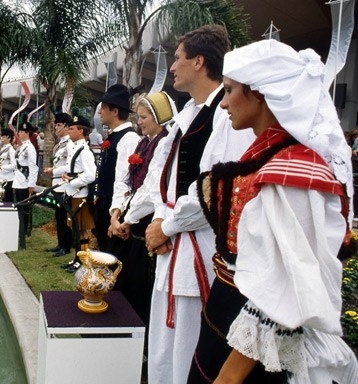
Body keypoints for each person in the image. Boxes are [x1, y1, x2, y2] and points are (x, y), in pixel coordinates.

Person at [187, 39, 358, 384]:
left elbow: (283, 289)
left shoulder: (292, 173)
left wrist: (231, 376)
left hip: (253, 349)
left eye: (230, 91)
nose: (222, 104)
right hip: (225, 317)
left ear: (260, 93)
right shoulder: (268, 155)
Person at [143, 25, 255, 384]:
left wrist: (167, 225)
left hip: (197, 249)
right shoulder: (185, 115)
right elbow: (163, 176)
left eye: (177, 58)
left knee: (187, 347)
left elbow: (216, 189)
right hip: (170, 247)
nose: (172, 67)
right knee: (162, 345)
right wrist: (158, 220)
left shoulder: (226, 113)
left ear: (199, 61)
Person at [111, 91, 175, 329]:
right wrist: (115, 214)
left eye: (144, 117)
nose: (139, 122)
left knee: (140, 283)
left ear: (159, 117)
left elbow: (152, 189)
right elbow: (124, 180)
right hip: (129, 215)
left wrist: (127, 220)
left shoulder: (165, 144)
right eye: (138, 117)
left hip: (145, 219)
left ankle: (139, 332)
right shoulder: (142, 143)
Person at [93, 84, 140, 252]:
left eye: (103, 108)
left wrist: (116, 215)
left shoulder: (128, 138)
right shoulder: (113, 136)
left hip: (114, 208)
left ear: (115, 111)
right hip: (104, 205)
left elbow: (126, 181)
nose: (100, 112)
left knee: (114, 257)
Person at [55, 116, 97, 272]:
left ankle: (83, 262)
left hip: (80, 194)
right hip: (72, 193)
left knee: (82, 230)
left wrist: (72, 182)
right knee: (76, 230)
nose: (70, 131)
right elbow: (69, 168)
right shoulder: (75, 148)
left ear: (81, 131)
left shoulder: (85, 151)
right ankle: (77, 259)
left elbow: (90, 175)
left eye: (72, 129)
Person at [43, 112, 73, 257]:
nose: (56, 128)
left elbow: (68, 166)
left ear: (67, 127)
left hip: (64, 184)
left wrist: (54, 170)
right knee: (58, 216)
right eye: (56, 125)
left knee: (63, 217)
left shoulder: (70, 144)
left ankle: (66, 246)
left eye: (59, 125)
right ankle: (60, 243)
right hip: (57, 183)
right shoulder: (60, 143)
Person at [13, 123, 38, 250]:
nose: (20, 134)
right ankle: (20, 232)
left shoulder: (30, 148)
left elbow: (33, 167)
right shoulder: (21, 147)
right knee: (18, 210)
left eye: (22, 132)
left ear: (27, 133)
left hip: (24, 182)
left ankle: (22, 236)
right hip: (18, 181)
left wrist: (31, 185)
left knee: (23, 211)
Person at [0, 129, 16, 203]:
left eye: (3, 137)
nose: (1, 138)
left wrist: (1, 167)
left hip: (8, 178)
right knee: (0, 199)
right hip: (0, 177)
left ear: (9, 138)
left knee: (7, 200)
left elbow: (14, 165)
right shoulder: (3, 148)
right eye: (1, 136)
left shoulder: (11, 150)